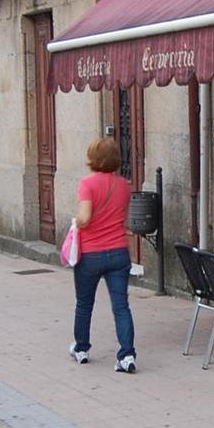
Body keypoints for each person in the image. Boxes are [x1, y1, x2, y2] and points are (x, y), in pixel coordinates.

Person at [67, 138, 137, 373]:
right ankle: (127, 355)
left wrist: (77, 220)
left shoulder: (87, 184)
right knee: (121, 306)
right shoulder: (124, 185)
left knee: (84, 304)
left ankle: (82, 348)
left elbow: (85, 217)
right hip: (119, 251)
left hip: (91, 254)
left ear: (93, 159)